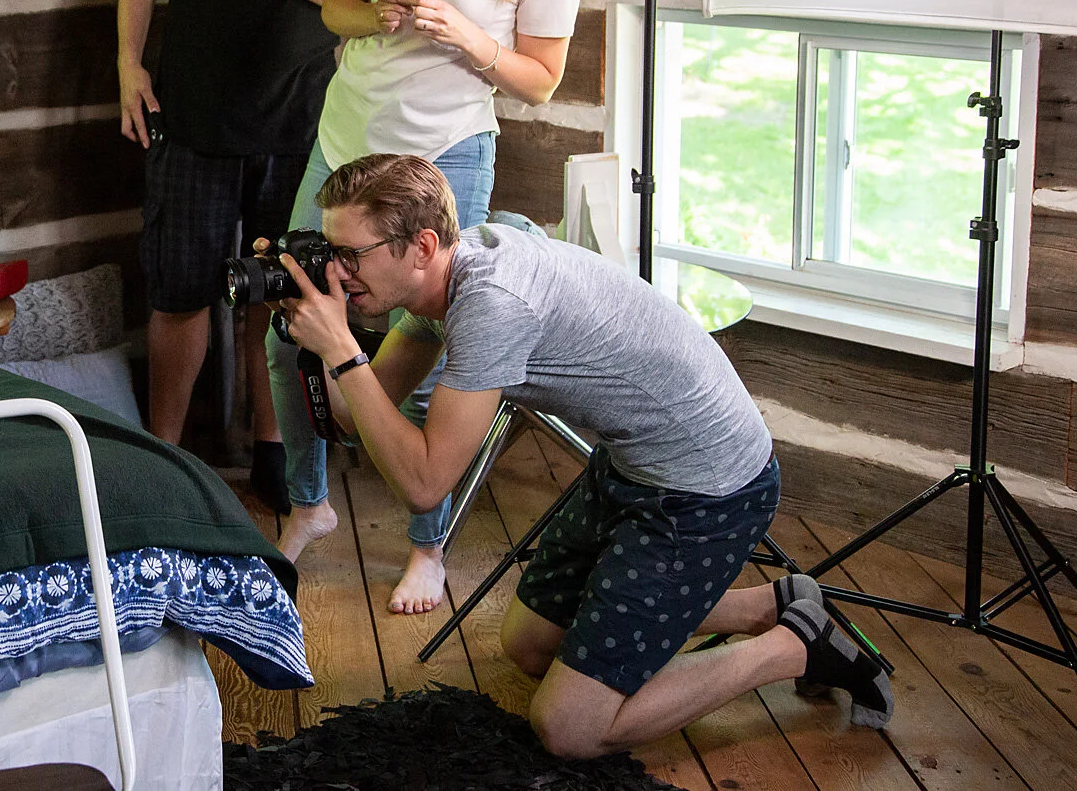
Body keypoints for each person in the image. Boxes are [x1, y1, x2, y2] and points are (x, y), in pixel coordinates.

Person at [268, 154, 896, 757]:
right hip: (631, 464)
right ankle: (772, 604)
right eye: (330, 251)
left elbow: (426, 484)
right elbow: (352, 419)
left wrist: (345, 351)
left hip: (710, 488)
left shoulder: (492, 306)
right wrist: (311, 334)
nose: (337, 271)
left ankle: (792, 645)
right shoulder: (447, 278)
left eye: (350, 255)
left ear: (423, 246)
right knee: (528, 646)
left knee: (568, 728)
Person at [268, 0, 583, 613]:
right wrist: (383, 13)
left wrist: (469, 39)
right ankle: (309, 502)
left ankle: (427, 542)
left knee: (437, 345)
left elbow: (543, 78)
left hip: (443, 158)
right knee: (287, 326)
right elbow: (336, 5)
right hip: (343, 148)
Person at [117, 0, 383, 508]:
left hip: (302, 124)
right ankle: (165, 453)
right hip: (192, 117)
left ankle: (273, 448)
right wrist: (128, 65)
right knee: (179, 290)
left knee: (277, 292)